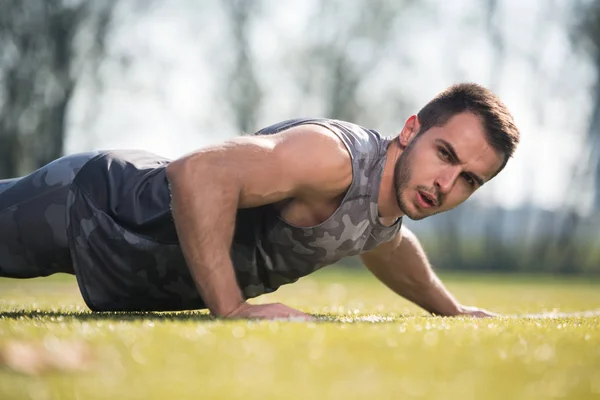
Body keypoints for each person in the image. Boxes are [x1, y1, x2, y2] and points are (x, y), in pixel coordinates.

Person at [0, 83, 520, 320]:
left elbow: (387, 243)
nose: (446, 183)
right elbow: (201, 173)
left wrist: (450, 311)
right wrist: (232, 309)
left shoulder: (388, 203)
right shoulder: (332, 158)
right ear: (411, 129)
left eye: (469, 180)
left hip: (124, 256)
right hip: (94, 207)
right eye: (445, 154)